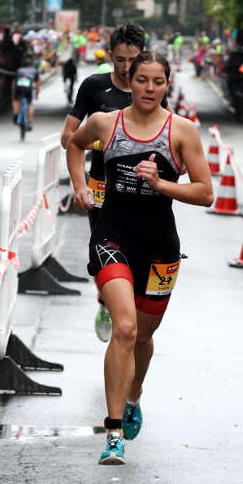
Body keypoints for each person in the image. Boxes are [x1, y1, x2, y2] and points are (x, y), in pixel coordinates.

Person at [66, 51, 213, 465]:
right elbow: (74, 146)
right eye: (142, 80)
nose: (149, 89)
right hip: (111, 235)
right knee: (125, 329)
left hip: (160, 246)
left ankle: (134, 396)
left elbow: (205, 193)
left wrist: (163, 184)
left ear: (168, 85)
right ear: (129, 81)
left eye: (158, 82)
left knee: (144, 338)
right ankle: (113, 431)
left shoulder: (182, 132)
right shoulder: (104, 123)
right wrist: (80, 186)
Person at [61, 23, 170, 343]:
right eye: (119, 60)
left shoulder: (150, 89)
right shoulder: (94, 87)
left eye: (131, 61)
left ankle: (127, 305)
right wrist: (101, 152)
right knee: (103, 252)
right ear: (111, 56)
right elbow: (70, 138)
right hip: (101, 186)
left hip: (141, 192)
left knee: (138, 253)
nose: (125, 68)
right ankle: (108, 302)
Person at [12, 56, 40, 131]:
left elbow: (14, 82)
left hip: (19, 88)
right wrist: (37, 93)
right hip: (29, 89)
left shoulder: (19, 70)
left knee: (16, 100)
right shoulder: (34, 71)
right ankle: (30, 122)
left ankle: (15, 114)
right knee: (30, 103)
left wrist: (14, 91)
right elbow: (37, 83)